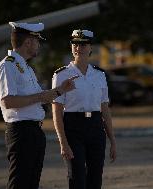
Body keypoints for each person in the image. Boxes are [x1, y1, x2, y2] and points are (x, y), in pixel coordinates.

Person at [0, 22, 78, 189]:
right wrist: (40, 96)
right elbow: (8, 101)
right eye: (37, 41)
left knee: (31, 183)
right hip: (21, 132)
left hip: (34, 132)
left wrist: (61, 90)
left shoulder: (26, 68)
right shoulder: (8, 65)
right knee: (19, 183)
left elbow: (40, 98)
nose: (39, 45)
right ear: (28, 42)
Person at [52, 29, 117, 189]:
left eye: (83, 44)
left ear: (90, 48)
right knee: (77, 177)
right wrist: (63, 142)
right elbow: (57, 111)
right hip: (73, 127)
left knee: (95, 178)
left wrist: (112, 140)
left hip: (95, 126)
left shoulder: (99, 75)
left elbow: (105, 109)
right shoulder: (61, 75)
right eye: (75, 44)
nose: (78, 48)